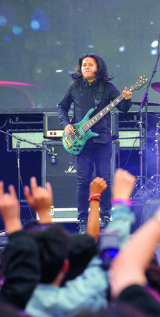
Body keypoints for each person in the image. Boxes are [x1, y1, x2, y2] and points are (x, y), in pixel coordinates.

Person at [57, 54, 133, 233]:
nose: (86, 67)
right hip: (80, 142)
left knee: (104, 179)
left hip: (102, 141)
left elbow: (123, 108)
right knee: (83, 181)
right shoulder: (74, 86)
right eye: (84, 64)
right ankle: (83, 220)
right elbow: (62, 107)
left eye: (90, 64)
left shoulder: (107, 88)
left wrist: (127, 98)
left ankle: (105, 217)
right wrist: (66, 124)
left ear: (98, 67)